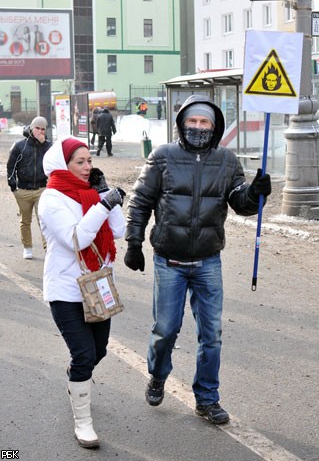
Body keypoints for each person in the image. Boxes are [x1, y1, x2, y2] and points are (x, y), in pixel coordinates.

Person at [124, 94, 271, 425]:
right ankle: (158, 375)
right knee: (165, 330)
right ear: (181, 123)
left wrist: (257, 192)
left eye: (205, 122)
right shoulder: (162, 157)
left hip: (207, 261)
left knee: (212, 334)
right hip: (169, 261)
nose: (198, 127)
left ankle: (207, 398)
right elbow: (140, 202)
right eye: (192, 120)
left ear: (214, 126)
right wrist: (133, 241)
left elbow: (241, 204)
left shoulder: (227, 161)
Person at [38, 138, 126, 448]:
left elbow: (118, 231)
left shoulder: (90, 193)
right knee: (85, 354)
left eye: (90, 160)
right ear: (64, 165)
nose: (88, 167)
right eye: (80, 162)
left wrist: (105, 197)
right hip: (65, 291)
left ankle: (77, 376)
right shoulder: (50, 200)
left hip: (98, 286)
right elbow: (77, 238)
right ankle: (83, 423)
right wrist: (102, 204)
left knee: (98, 351)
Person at [6, 116, 52, 259]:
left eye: (43, 129)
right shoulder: (20, 145)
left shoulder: (49, 146)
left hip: (41, 189)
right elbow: (11, 166)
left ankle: (48, 250)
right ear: (31, 128)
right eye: (37, 128)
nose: (39, 131)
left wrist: (44, 145)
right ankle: (27, 247)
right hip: (23, 190)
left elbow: (54, 164)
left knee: (44, 220)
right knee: (25, 220)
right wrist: (13, 185)